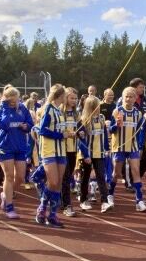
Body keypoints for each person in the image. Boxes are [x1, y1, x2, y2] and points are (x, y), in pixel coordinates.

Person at [0, 86, 34, 219]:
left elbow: (30, 123)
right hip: (6, 146)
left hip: (20, 146)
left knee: (20, 177)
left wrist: (26, 126)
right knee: (9, 176)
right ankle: (9, 206)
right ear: (6, 99)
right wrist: (6, 107)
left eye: (16, 99)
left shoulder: (22, 108)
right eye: (11, 100)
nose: (14, 102)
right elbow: (3, 125)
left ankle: (6, 194)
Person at [36, 84, 73, 227]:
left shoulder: (59, 111)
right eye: (64, 95)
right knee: (52, 182)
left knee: (57, 183)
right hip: (49, 150)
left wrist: (68, 134)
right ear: (60, 96)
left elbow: (59, 130)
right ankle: (42, 209)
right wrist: (61, 135)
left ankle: (52, 215)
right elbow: (43, 131)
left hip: (61, 151)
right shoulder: (49, 109)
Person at [108, 87, 146, 212]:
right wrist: (116, 125)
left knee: (135, 171)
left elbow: (140, 131)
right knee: (116, 173)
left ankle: (139, 200)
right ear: (123, 97)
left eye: (131, 97)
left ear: (135, 98)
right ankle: (110, 194)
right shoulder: (117, 111)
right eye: (126, 96)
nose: (129, 99)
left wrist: (140, 145)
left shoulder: (138, 113)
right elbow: (110, 130)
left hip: (133, 147)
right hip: (119, 147)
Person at [76, 95, 111, 213]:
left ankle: (105, 201)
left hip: (99, 153)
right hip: (88, 155)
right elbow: (81, 141)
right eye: (96, 106)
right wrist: (86, 155)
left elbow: (105, 134)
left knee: (101, 176)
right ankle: (83, 200)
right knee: (85, 177)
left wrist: (106, 148)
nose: (99, 108)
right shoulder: (83, 121)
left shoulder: (101, 118)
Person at [60, 87, 80, 217]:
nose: (74, 100)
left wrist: (80, 133)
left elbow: (79, 130)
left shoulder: (76, 113)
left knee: (67, 177)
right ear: (65, 98)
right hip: (61, 150)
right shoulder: (59, 112)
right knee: (65, 178)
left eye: (75, 98)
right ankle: (67, 205)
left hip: (73, 149)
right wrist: (66, 134)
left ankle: (59, 201)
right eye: (71, 98)